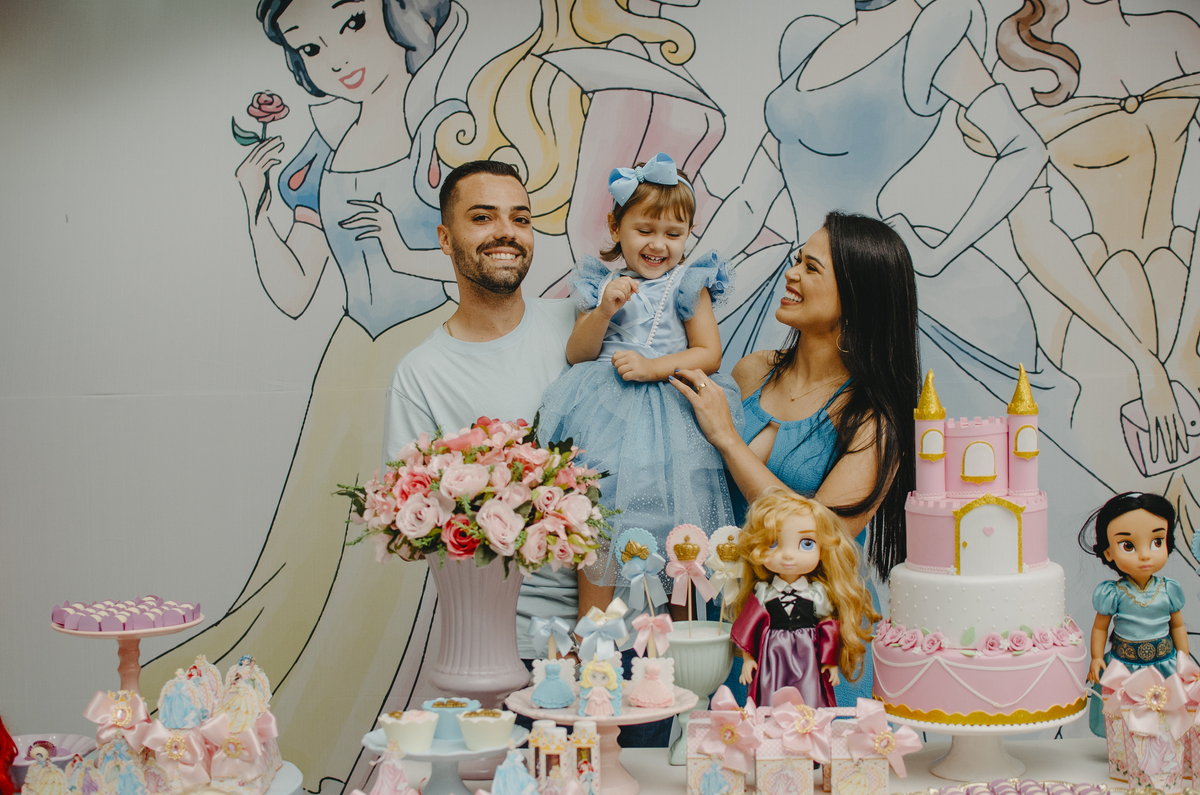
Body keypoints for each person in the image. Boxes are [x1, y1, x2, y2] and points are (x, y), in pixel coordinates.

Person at [143, 3, 471, 788]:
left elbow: (483, 263)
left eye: (352, 24)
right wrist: (256, 203)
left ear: (400, 16)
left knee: (402, 559)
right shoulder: (321, 153)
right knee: (320, 554)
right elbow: (295, 291)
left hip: (428, 359)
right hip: (351, 365)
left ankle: (402, 736)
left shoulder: (446, 135)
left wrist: (401, 246)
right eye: (311, 47)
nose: (336, 58)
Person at [674, 211, 917, 705]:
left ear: (856, 297)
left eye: (811, 267)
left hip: (814, 646)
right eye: (796, 260)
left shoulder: (874, 420)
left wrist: (729, 440)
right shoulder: (751, 372)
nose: (791, 274)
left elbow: (823, 537)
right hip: (735, 632)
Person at [381, 159, 603, 663]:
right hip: (512, 648)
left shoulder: (583, 324)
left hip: (629, 635)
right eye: (483, 217)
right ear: (444, 237)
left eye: (521, 219)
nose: (507, 232)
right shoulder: (421, 376)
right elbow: (410, 532)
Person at [538, 153, 742, 592]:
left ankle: (680, 630)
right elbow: (578, 353)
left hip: (670, 416)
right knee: (600, 511)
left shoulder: (688, 283)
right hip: (607, 417)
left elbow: (710, 353)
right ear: (616, 228)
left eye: (673, 233)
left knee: (677, 516)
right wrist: (605, 309)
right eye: (644, 230)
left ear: (688, 236)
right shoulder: (602, 285)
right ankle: (594, 630)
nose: (658, 244)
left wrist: (653, 368)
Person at [730, 490, 878, 708]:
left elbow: (828, 626)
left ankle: (807, 731)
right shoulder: (763, 592)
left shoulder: (816, 593)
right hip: (773, 656)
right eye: (773, 543)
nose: (789, 555)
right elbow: (749, 627)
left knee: (809, 696)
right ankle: (773, 733)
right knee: (771, 695)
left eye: (806, 543)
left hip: (808, 654)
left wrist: (829, 661)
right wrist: (749, 658)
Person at [1081, 491, 1187, 684]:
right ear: (1108, 552)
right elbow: (1100, 628)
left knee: (1165, 710)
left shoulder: (1169, 590)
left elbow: (1177, 625)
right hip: (1124, 667)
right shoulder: (1112, 594)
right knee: (1124, 711)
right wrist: (1096, 658)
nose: (1145, 555)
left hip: (1164, 665)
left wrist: (1184, 658)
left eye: (1157, 542)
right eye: (1128, 546)